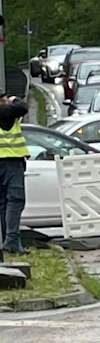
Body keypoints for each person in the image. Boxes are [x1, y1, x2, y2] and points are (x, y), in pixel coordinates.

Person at [0, 94, 29, 254]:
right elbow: (23, 107)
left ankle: (7, 240)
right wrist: (14, 99)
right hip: (11, 162)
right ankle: (11, 240)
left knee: (3, 203)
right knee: (15, 201)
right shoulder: (8, 112)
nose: (6, 102)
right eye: (3, 100)